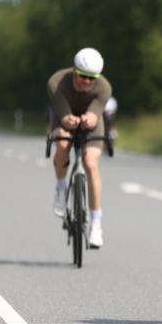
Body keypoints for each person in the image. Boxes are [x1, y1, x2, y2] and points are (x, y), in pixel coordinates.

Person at [47, 47, 112, 248]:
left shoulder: (103, 87)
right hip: (63, 115)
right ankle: (61, 187)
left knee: (91, 163)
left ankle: (96, 224)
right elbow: (64, 115)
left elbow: (94, 115)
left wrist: (89, 119)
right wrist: (69, 120)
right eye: (83, 76)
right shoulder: (56, 82)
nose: (87, 82)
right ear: (75, 70)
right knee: (64, 144)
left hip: (89, 120)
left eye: (92, 78)